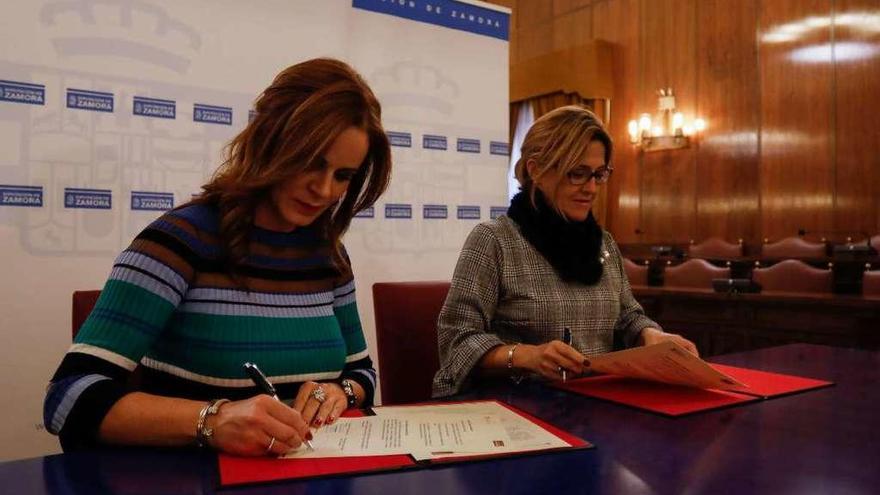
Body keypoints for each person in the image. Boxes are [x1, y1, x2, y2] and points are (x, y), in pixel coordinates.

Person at [43, 58, 392, 456]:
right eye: (311, 162)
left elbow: (361, 371)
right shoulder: (180, 241)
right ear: (268, 142)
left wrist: (340, 391)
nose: (324, 189)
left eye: (343, 176)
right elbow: (67, 397)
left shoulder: (330, 256)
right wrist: (214, 419)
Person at [432, 105, 697, 397]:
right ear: (536, 170)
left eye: (599, 174)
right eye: (577, 173)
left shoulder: (603, 243)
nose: (592, 188)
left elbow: (628, 317)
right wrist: (525, 356)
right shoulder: (495, 240)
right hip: (519, 408)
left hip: (600, 404)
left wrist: (651, 335)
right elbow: (456, 341)